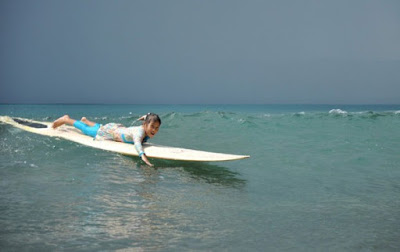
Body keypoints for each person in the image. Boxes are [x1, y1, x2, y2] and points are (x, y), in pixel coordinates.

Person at [52, 113, 161, 167]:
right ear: (145, 124)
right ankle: (66, 119)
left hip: (115, 129)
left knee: (99, 127)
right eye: (152, 126)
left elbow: (148, 115)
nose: (154, 130)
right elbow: (137, 144)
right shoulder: (140, 132)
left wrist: (145, 116)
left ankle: (86, 120)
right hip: (110, 132)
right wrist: (143, 156)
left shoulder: (144, 129)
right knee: (86, 130)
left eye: (157, 128)